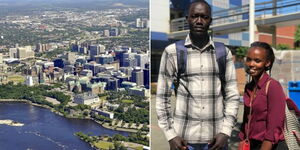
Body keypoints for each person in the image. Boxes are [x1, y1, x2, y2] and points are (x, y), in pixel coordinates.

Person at [156, 0, 240, 150]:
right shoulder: (172, 52)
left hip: (216, 141)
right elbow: (162, 97)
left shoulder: (223, 53)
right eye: (195, 16)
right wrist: (171, 135)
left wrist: (226, 132)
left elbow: (232, 95)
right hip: (183, 142)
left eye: (204, 17)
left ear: (210, 21)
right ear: (187, 18)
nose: (199, 21)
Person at [239, 42, 288, 150]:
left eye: (257, 61)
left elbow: (274, 126)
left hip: (271, 145)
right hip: (251, 144)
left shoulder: (273, 86)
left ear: (267, 63)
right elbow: (246, 120)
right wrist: (242, 140)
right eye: (249, 59)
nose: (251, 64)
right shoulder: (249, 87)